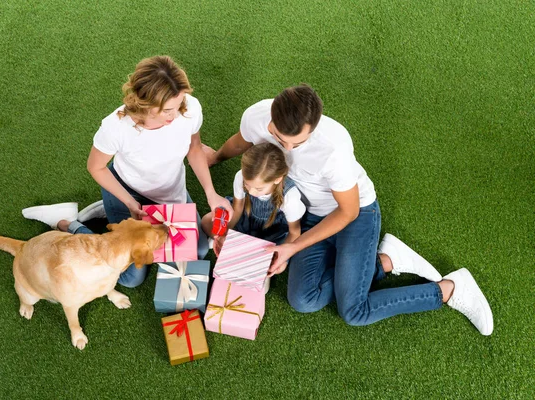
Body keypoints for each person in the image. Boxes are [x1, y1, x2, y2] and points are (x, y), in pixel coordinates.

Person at [203, 84, 493, 335]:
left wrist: (293, 247)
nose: (287, 150)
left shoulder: (334, 149)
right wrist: (214, 158)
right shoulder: (257, 116)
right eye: (279, 139)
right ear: (272, 117)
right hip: (308, 212)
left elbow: (348, 212)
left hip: (355, 215)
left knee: (354, 310)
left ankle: (449, 289)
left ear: (313, 128)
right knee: (303, 300)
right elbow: (241, 142)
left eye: (297, 142)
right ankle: (386, 260)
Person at [23, 55, 232, 288]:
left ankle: (107, 211)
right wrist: (130, 205)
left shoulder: (188, 109)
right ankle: (68, 222)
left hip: (170, 192)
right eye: (167, 110)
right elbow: (96, 167)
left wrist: (211, 194)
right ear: (145, 105)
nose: (176, 115)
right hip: (127, 192)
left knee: (200, 250)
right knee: (131, 279)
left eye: (180, 104)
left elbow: (194, 149)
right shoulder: (116, 128)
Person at [201, 143, 306, 267]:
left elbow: (294, 232)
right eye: (247, 184)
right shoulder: (241, 176)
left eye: (259, 189)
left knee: (278, 262)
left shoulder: (289, 197)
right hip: (246, 216)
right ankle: (241, 246)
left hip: (273, 230)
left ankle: (240, 246)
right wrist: (224, 233)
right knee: (206, 222)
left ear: (277, 179)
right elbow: (238, 207)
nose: (251, 192)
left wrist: (282, 257)